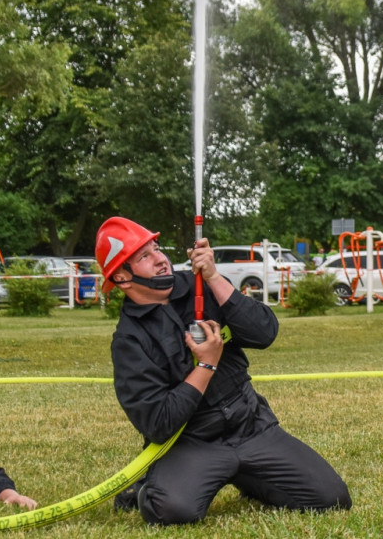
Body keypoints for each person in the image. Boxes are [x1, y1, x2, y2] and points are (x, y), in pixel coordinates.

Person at [96, 216, 350, 525]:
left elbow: (264, 333)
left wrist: (215, 277)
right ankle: (147, 486)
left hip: (250, 426)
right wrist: (206, 364)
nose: (160, 259)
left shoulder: (200, 283)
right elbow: (158, 423)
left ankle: (247, 475)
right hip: (192, 442)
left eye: (156, 248)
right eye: (144, 257)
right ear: (122, 277)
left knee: (330, 498)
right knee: (173, 511)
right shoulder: (129, 341)